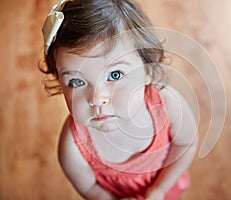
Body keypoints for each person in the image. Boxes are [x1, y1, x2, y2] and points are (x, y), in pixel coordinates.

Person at [40, 0, 198, 199]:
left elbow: (186, 145)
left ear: (148, 70)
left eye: (115, 75)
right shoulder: (72, 148)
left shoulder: (168, 105)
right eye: (76, 81)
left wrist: (159, 190)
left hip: (165, 186)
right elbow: (90, 189)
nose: (97, 99)